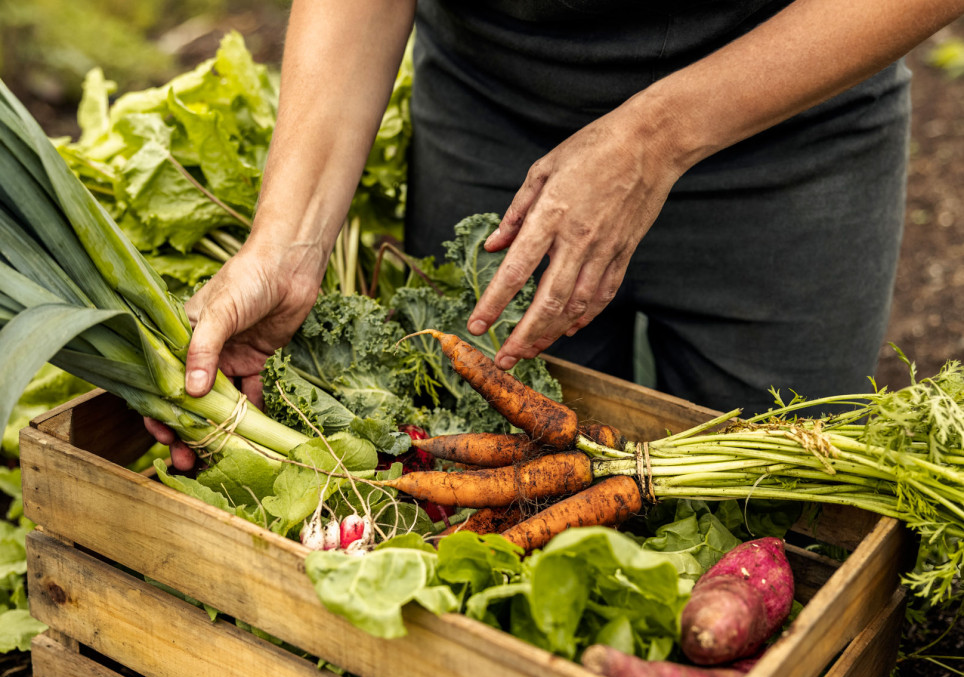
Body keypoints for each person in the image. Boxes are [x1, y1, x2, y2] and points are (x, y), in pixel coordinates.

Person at [147, 0, 964, 470]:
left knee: (779, 519)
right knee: (487, 473)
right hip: (495, 116)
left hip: (791, 126)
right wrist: (287, 242)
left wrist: (654, 137)